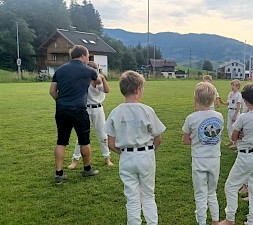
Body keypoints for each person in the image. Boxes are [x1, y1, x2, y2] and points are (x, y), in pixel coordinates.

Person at [104, 70, 166, 225]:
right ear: (138, 89)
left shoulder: (115, 112)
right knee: (148, 195)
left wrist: (124, 152)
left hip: (126, 157)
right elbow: (158, 139)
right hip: (146, 155)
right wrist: (150, 149)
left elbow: (110, 144)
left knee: (132, 198)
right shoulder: (147, 110)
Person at [49, 45, 100, 184]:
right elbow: (99, 81)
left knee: (61, 141)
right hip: (79, 109)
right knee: (84, 140)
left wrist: (61, 102)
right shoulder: (88, 70)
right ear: (83, 55)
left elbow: (52, 91)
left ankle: (59, 174)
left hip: (62, 110)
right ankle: (87, 169)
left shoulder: (60, 70)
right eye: (88, 55)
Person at [220, 83, 253, 225]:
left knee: (230, 186)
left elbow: (233, 138)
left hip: (246, 156)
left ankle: (230, 219)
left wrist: (241, 134)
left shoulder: (243, 117)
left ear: (245, 100)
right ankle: (251, 221)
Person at [182, 82, 224, 225]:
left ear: (195, 98)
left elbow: (186, 141)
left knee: (200, 194)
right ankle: (216, 221)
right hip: (214, 159)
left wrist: (198, 140)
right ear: (213, 99)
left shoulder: (191, 118)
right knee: (212, 192)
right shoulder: (219, 116)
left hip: (199, 159)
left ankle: (202, 222)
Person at [68, 62, 114, 169]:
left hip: (98, 109)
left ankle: (107, 158)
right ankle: (75, 159)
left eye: (96, 70)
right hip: (85, 108)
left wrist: (102, 79)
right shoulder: (83, 81)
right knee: (82, 134)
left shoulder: (99, 80)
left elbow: (107, 90)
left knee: (102, 134)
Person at [219, 80, 242, 148]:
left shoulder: (238, 95)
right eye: (231, 85)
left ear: (238, 87)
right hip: (230, 111)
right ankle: (231, 141)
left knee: (234, 127)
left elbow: (238, 106)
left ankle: (235, 143)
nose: (232, 87)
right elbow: (228, 103)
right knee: (229, 127)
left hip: (235, 111)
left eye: (234, 85)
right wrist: (222, 102)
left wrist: (235, 116)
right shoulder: (230, 94)